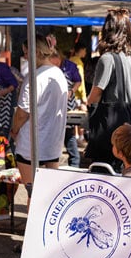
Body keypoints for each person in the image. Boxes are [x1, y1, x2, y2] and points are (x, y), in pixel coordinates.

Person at [86, 8, 131, 170]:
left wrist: (87, 105)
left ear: (108, 30)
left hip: (111, 137)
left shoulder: (108, 59)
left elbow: (95, 96)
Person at [10, 34, 68, 207]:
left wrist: (14, 130)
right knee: (50, 193)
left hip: (31, 143)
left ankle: (32, 231)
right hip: (53, 142)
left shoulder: (34, 77)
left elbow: (22, 113)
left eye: (26, 52)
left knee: (33, 193)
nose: (25, 56)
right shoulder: (59, 74)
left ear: (35, 52)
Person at [49, 47, 82, 167]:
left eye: (56, 62)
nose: (55, 65)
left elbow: (78, 81)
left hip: (67, 104)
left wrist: (72, 91)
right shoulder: (48, 68)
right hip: (52, 105)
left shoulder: (71, 66)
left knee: (69, 136)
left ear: (59, 57)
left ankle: (74, 164)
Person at [69, 42, 88, 143]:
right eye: (84, 50)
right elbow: (81, 80)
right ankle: (81, 136)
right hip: (78, 94)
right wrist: (84, 96)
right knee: (83, 115)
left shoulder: (70, 60)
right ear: (80, 51)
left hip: (71, 93)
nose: (85, 52)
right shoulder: (79, 62)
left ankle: (76, 135)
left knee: (74, 116)